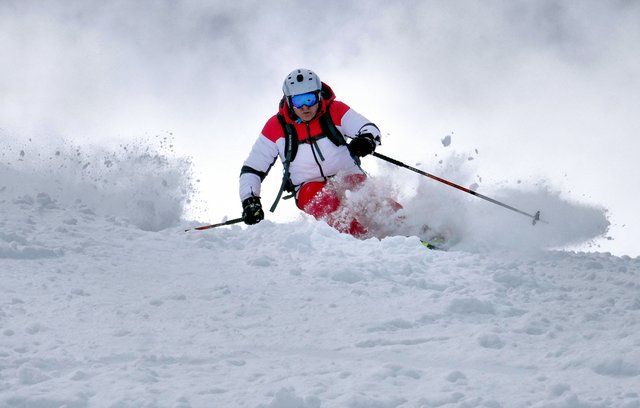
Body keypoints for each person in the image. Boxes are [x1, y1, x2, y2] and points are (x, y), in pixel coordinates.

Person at [239, 68, 386, 237]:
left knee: (374, 202)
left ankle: (410, 230)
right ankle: (364, 242)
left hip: (346, 175)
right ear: (289, 101)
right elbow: (252, 169)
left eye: (309, 99)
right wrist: (249, 200)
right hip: (308, 186)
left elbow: (368, 128)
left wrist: (366, 139)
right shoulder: (276, 126)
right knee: (326, 202)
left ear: (318, 96)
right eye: (297, 101)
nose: (304, 107)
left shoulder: (335, 110)